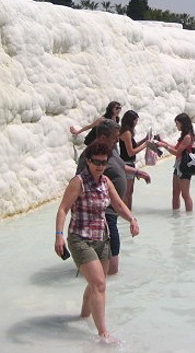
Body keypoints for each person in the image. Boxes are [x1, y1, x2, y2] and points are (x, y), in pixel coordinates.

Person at [55, 141, 139, 343]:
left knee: (97, 282)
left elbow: (118, 205)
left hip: (102, 238)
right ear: (88, 161)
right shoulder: (78, 182)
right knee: (99, 284)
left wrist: (132, 220)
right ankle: (103, 334)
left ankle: (83, 316)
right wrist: (59, 235)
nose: (100, 166)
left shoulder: (105, 182)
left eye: (103, 162)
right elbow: (63, 209)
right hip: (80, 239)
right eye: (96, 162)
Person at [76, 119, 140, 275]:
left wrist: (138, 172)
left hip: (112, 214)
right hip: (102, 217)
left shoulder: (109, 151)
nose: (117, 140)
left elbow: (119, 166)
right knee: (109, 270)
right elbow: (79, 185)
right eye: (114, 136)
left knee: (110, 267)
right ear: (103, 137)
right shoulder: (90, 157)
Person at [157, 113, 195, 212]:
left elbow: (177, 152)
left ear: (183, 124)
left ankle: (188, 218)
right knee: (175, 193)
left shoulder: (188, 137)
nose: (176, 126)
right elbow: (175, 148)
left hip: (185, 166)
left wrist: (164, 146)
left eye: (177, 124)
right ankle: (175, 216)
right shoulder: (183, 136)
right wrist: (162, 142)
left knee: (185, 194)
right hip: (178, 165)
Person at [118, 110, 152, 209]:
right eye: (136, 121)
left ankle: (128, 212)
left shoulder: (127, 132)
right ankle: (127, 213)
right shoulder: (127, 133)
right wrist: (145, 145)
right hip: (126, 163)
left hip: (129, 163)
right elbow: (131, 152)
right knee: (127, 193)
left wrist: (145, 140)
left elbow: (134, 146)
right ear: (131, 121)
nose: (136, 123)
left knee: (129, 192)